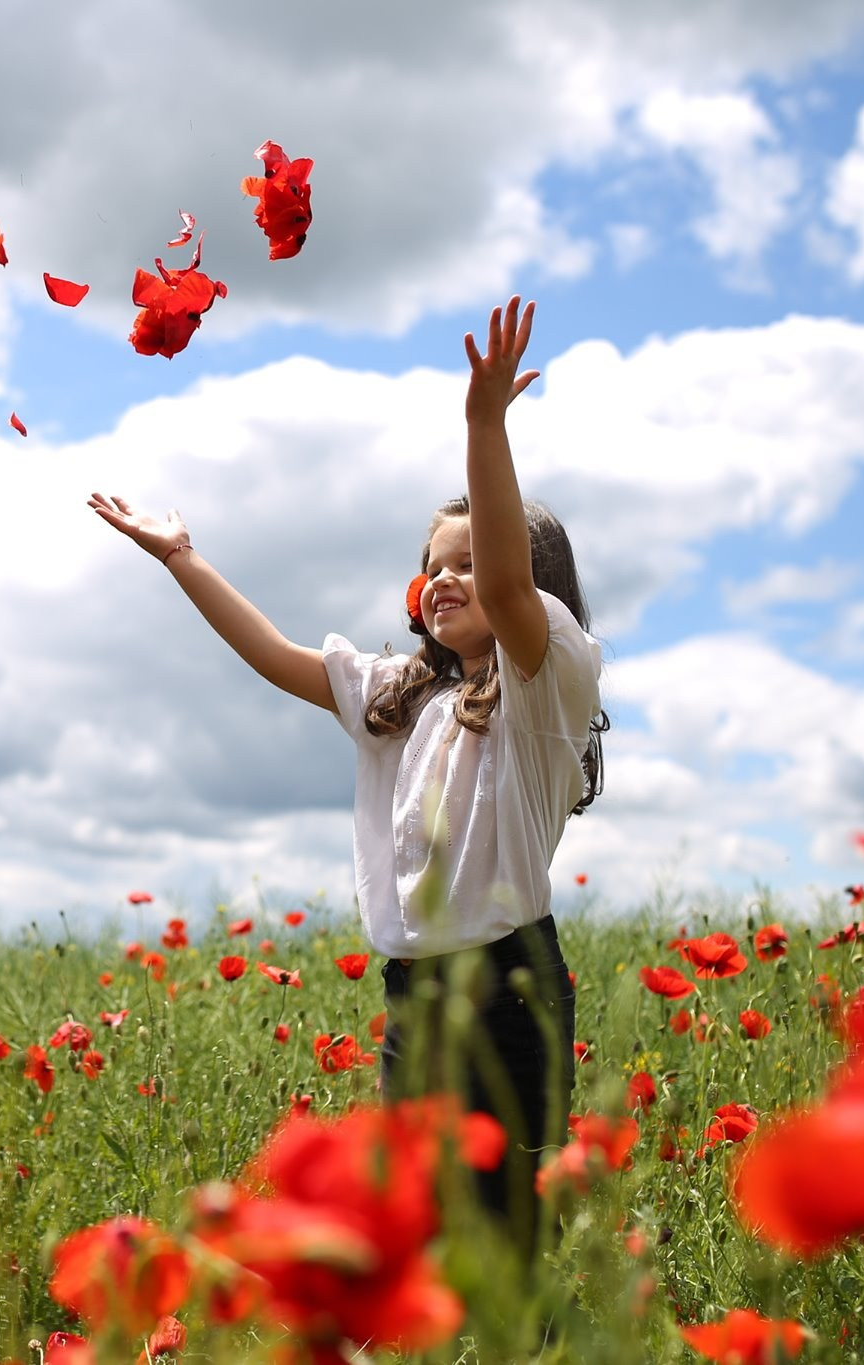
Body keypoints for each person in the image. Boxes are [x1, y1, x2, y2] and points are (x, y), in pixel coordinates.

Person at [89, 295, 606, 1262]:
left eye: (464, 563)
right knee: (410, 1232)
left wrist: (483, 427)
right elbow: (279, 657)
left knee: (510, 1241)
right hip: (415, 993)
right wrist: (181, 558)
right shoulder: (402, 700)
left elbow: (504, 587)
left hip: (510, 994)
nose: (443, 580)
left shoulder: (547, 689)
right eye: (427, 567)